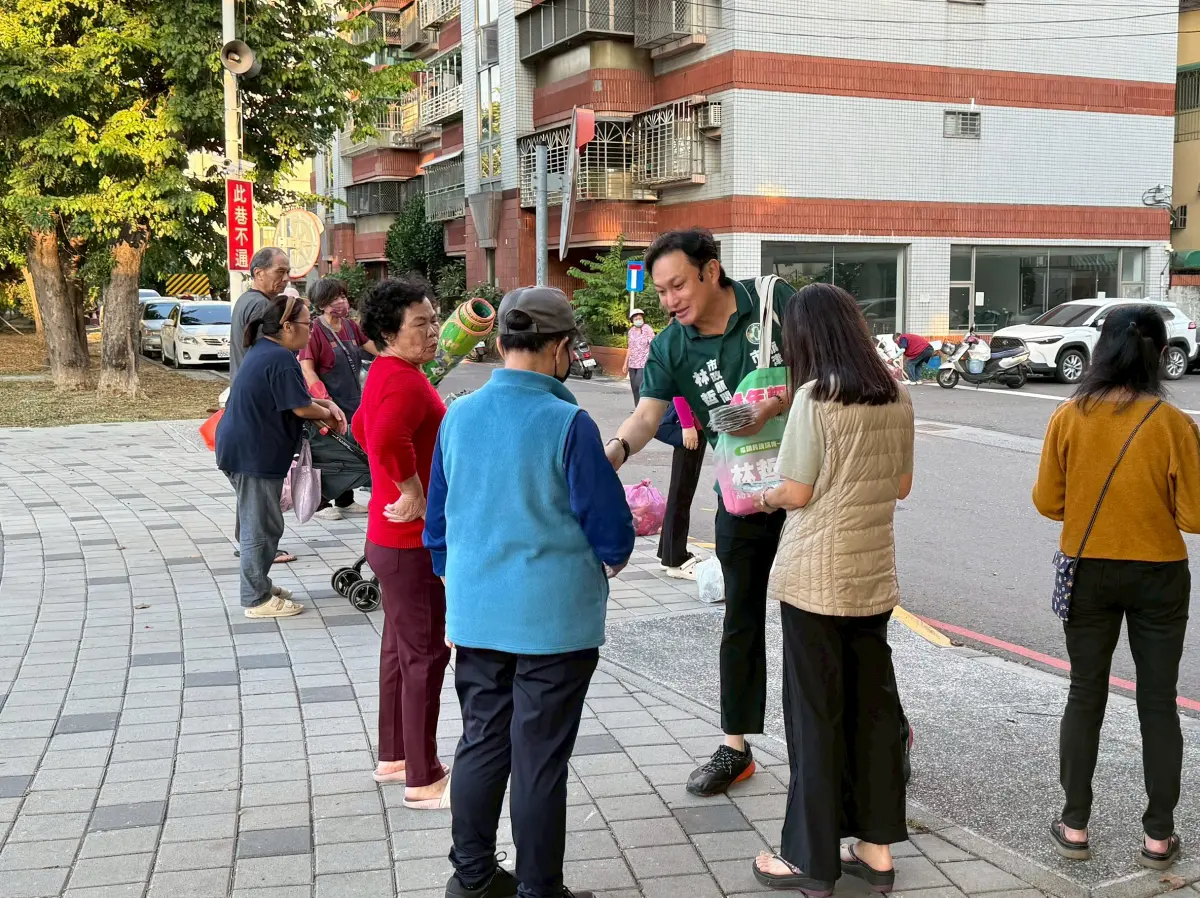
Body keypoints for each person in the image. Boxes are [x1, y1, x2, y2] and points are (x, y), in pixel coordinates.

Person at [426, 286, 635, 898]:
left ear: (498, 343)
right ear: (563, 349)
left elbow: (437, 523)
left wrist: (455, 575)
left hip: (478, 614)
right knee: (540, 759)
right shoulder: (566, 422)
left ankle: (471, 878)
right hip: (553, 621)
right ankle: (539, 889)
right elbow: (609, 526)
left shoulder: (458, 414)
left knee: (482, 741)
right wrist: (614, 560)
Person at [605, 228, 793, 796]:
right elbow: (645, 418)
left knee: (838, 616)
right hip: (743, 492)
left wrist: (774, 405)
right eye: (661, 291)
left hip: (815, 486)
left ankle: (887, 729)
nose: (670, 301)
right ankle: (736, 747)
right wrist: (609, 454)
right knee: (740, 617)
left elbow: (831, 372)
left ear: (711, 271)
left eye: (678, 285)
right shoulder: (670, 346)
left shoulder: (774, 304)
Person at [745, 284, 913, 895]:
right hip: (873, 579)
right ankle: (875, 850)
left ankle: (809, 858)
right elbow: (902, 484)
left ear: (806, 338)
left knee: (815, 718)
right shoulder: (897, 393)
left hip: (815, 580)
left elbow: (797, 491)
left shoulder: (816, 397)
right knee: (872, 714)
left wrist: (760, 496)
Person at [1033, 305, 1200, 871]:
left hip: (1088, 570)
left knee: (1085, 693)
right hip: (1159, 573)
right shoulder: (1173, 423)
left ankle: (1075, 823)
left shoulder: (1069, 415)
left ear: (1101, 350)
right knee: (1158, 702)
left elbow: (1047, 502)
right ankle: (1158, 836)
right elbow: (1194, 516)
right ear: (1156, 353)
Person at [350, 277, 451, 808]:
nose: (434, 330)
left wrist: (397, 479)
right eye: (422, 324)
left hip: (386, 539)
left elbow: (361, 427)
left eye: (434, 320)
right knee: (426, 655)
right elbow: (384, 437)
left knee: (399, 650)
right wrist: (410, 489)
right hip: (409, 542)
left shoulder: (387, 374)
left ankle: (395, 757)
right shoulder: (405, 381)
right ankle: (424, 775)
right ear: (390, 332)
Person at [215, 295, 346, 618]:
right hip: (253, 453)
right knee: (261, 525)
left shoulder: (269, 352)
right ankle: (256, 598)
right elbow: (301, 407)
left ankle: (259, 583)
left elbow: (298, 400)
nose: (311, 329)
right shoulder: (280, 357)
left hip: (245, 448)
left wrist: (326, 406)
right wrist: (329, 412)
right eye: (307, 324)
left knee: (258, 522)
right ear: (287, 327)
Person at [229, 247, 298, 564]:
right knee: (257, 487)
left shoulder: (249, 301)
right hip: (257, 414)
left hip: (246, 410)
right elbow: (270, 360)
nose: (285, 278)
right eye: (279, 271)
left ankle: (250, 545)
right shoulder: (258, 305)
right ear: (258, 273)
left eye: (287, 272)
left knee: (251, 488)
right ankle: (257, 554)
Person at [299, 276, 377, 520]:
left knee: (351, 450)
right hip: (327, 404)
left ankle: (345, 499)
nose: (342, 302)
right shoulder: (315, 331)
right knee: (327, 453)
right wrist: (324, 400)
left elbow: (373, 347)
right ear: (322, 304)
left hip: (352, 400)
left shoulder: (351, 327)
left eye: (343, 296)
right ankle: (320, 503)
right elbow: (307, 369)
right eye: (335, 298)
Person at [623, 308, 655, 406]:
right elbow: (630, 348)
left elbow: (653, 344)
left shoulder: (647, 329)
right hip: (633, 363)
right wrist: (625, 363)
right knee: (634, 386)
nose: (638, 320)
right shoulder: (631, 331)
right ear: (632, 321)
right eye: (636, 319)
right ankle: (637, 407)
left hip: (643, 362)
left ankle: (643, 407)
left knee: (639, 383)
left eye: (640, 318)